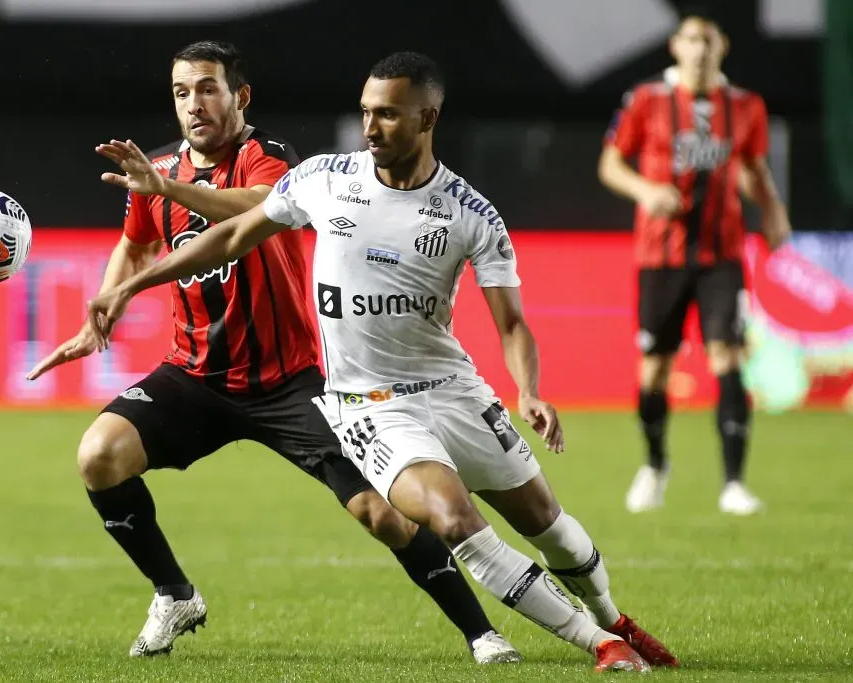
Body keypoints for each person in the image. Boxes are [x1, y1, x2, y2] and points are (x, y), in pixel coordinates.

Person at [86, 50, 678, 672]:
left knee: (546, 524)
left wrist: (528, 390)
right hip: (369, 404)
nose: (371, 127)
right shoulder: (324, 179)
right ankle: (600, 646)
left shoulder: (470, 214)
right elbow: (233, 232)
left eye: (389, 115)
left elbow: (512, 323)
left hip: (455, 391)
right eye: (366, 112)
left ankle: (613, 618)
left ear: (429, 117)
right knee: (451, 517)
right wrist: (131, 286)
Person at [26, 40, 518, 663]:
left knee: (381, 513)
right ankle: (173, 594)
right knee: (99, 455)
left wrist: (168, 191)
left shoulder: (273, 160)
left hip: (291, 380)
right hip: (195, 374)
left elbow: (251, 210)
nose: (194, 104)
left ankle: (481, 632)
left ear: (241, 96)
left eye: (208, 88)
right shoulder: (154, 170)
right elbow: (136, 242)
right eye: (182, 92)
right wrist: (106, 304)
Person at [598, 11, 792, 515]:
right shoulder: (648, 100)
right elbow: (611, 163)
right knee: (654, 369)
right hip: (659, 255)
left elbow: (751, 166)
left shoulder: (746, 106)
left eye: (708, 40)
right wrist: (645, 190)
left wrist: (771, 209)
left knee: (726, 356)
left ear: (722, 47)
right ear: (675, 47)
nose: (700, 49)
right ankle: (656, 464)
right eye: (691, 39)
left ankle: (733, 483)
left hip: (721, 254)